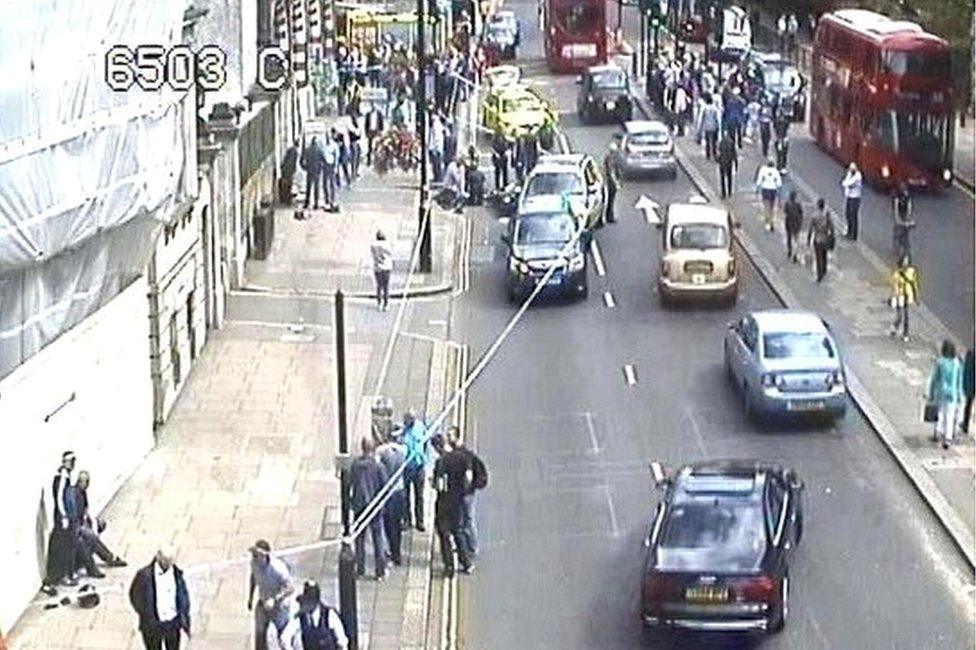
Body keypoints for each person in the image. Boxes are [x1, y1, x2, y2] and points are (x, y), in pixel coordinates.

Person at [128, 547, 191, 650]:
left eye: (170, 560)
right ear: (158, 557)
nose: (167, 563)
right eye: (165, 560)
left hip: (173, 623)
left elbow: (183, 595)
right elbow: (134, 595)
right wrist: (145, 613)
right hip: (153, 623)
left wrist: (184, 614)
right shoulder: (144, 575)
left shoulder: (177, 574)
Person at [66, 470, 125, 577]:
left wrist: (94, 522)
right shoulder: (73, 493)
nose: (87, 485)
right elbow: (73, 516)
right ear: (80, 482)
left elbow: (85, 512)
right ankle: (94, 567)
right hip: (74, 528)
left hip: (81, 525)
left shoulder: (83, 493)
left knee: (92, 536)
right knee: (88, 538)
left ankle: (109, 557)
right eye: (85, 482)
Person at [431, 435, 473, 578]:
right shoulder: (462, 457)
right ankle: (466, 563)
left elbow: (439, 486)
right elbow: (468, 477)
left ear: (438, 447)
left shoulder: (440, 462)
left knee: (444, 535)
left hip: (444, 504)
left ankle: (449, 567)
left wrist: (435, 483)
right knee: (458, 531)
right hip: (458, 502)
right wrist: (463, 491)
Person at [349, 437, 389, 581]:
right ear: (373, 449)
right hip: (375, 507)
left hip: (359, 506)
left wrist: (351, 502)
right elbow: (385, 486)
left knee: (359, 539)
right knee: (378, 539)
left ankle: (360, 569)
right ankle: (380, 571)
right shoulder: (378, 467)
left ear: (362, 448)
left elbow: (350, 483)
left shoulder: (355, 465)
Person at [447, 427, 487, 557]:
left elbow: (468, 476)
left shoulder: (464, 454)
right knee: (463, 519)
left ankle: (471, 547)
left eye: (450, 436)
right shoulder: (459, 452)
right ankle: (466, 546)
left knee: (466, 520)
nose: (448, 438)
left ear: (457, 437)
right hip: (464, 492)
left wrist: (464, 489)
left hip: (466, 494)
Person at [248, 539, 295, 650]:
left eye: (257, 555)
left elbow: (290, 588)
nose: (254, 557)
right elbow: (253, 578)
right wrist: (250, 597)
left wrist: (275, 599)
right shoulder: (254, 564)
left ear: (265, 556)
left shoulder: (278, 569)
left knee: (283, 637)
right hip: (263, 601)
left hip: (279, 606)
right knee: (259, 634)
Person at [42, 450, 77, 595]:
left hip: (67, 517)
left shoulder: (66, 475)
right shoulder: (62, 476)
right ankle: (59, 576)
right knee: (62, 546)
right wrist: (64, 517)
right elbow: (59, 497)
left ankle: (65, 574)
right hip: (64, 518)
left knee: (67, 545)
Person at [376, 432, 407, 566]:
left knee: (388, 525)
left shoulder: (381, 451)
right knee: (397, 525)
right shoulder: (403, 451)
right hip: (399, 492)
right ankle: (397, 552)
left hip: (387, 493)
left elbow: (377, 467)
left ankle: (392, 552)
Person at [927, 340, 964, 449]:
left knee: (941, 413)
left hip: (941, 392)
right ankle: (948, 438)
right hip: (952, 394)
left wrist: (931, 392)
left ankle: (940, 432)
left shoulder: (940, 362)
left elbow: (934, 379)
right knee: (950, 415)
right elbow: (959, 380)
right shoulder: (957, 363)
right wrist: (959, 394)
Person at [296, 580, 349, 649]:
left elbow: (342, 641)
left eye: (307, 600)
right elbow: (285, 638)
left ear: (315, 601)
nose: (304, 604)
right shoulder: (300, 618)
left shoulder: (330, 614)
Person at [401, 410, 429, 531]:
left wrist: (425, 458)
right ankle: (407, 520)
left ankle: (420, 521)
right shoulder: (403, 432)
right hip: (407, 468)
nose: (406, 423)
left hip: (418, 467)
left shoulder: (420, 427)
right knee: (405, 495)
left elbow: (426, 442)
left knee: (419, 496)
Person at [888, 255, 919, 342]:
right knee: (900, 316)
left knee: (906, 316)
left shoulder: (912, 271)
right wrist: (895, 296)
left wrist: (916, 297)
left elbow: (914, 284)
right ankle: (895, 327)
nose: (906, 263)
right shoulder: (897, 273)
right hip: (899, 296)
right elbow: (894, 286)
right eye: (904, 261)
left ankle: (905, 334)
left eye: (907, 261)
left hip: (907, 296)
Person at [807, 198, 835, 282]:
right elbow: (832, 227)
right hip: (825, 238)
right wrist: (832, 237)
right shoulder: (827, 215)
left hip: (817, 239)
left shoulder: (814, 216)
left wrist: (808, 240)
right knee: (824, 254)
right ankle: (824, 270)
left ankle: (819, 275)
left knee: (818, 257)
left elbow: (810, 229)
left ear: (818, 205)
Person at [755, 158, 783, 231]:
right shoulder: (776, 171)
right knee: (772, 207)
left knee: (766, 207)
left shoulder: (763, 170)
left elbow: (759, 180)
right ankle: (772, 222)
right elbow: (779, 183)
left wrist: (757, 189)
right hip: (773, 190)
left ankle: (768, 223)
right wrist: (779, 194)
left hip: (765, 190)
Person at [370, 231, 393, 312]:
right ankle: (386, 304)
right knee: (386, 286)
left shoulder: (373, 245)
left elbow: (372, 253)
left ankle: (379, 303)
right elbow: (391, 253)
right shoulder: (387, 245)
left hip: (377, 267)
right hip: (386, 267)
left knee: (379, 286)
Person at [301, 137, 325, 211]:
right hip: (317, 171)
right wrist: (321, 167)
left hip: (309, 170)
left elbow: (302, 160)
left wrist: (304, 167)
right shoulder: (320, 150)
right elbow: (324, 160)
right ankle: (316, 203)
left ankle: (307, 202)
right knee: (316, 188)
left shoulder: (307, 150)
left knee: (308, 187)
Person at [841, 162, 862, 240]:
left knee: (853, 216)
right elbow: (845, 182)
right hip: (849, 197)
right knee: (848, 215)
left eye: (852, 169)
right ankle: (849, 232)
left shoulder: (858, 176)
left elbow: (848, 183)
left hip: (855, 198)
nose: (850, 171)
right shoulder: (850, 173)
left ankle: (853, 235)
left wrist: (845, 183)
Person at [698, 94, 721, 160]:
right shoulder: (715, 109)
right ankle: (714, 153)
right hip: (714, 126)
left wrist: (700, 128)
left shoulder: (705, 109)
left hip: (707, 127)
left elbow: (702, 118)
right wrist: (719, 126)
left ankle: (708, 154)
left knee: (708, 141)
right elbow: (717, 118)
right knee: (714, 141)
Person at [892, 183, 913, 257]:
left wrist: (909, 219)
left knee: (906, 232)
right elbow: (895, 208)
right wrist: (897, 219)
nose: (905, 192)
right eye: (903, 190)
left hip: (904, 212)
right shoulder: (897, 196)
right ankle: (896, 248)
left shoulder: (908, 196)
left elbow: (909, 207)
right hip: (899, 212)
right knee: (897, 231)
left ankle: (905, 248)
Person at [783, 191, 803, 262]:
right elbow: (801, 214)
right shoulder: (798, 205)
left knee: (789, 239)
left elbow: (785, 212)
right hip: (796, 224)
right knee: (796, 240)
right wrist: (800, 223)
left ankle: (790, 251)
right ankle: (795, 254)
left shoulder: (787, 204)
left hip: (789, 223)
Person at [322, 133, 340, 212]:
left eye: (329, 137)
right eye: (326, 137)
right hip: (325, 165)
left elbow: (337, 156)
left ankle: (333, 200)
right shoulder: (323, 145)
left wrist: (336, 167)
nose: (327, 139)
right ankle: (327, 200)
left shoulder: (334, 145)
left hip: (332, 165)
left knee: (332, 184)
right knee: (325, 183)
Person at [716, 131, 737, 199]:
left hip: (722, 162)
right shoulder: (731, 142)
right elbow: (734, 153)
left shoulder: (721, 142)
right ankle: (729, 192)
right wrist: (736, 164)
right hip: (729, 162)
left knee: (722, 178)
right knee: (729, 178)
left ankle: (723, 193)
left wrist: (718, 160)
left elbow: (718, 152)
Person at [280, 139, 300, 205]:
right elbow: (293, 163)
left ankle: (284, 199)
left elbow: (285, 159)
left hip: (285, 170)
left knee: (285, 185)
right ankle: (287, 200)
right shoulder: (295, 152)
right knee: (288, 185)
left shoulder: (290, 150)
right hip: (289, 171)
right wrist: (293, 170)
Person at [602, 151, 619, 224]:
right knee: (610, 201)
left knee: (609, 200)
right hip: (610, 184)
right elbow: (611, 172)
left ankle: (608, 216)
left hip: (608, 182)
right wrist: (616, 183)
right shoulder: (611, 159)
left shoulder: (608, 158)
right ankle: (609, 217)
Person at [962, 349, 975, 436]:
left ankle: (965, 425)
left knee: (968, 404)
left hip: (971, 384)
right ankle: (965, 424)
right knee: (969, 403)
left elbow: (966, 371)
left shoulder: (970, 355)